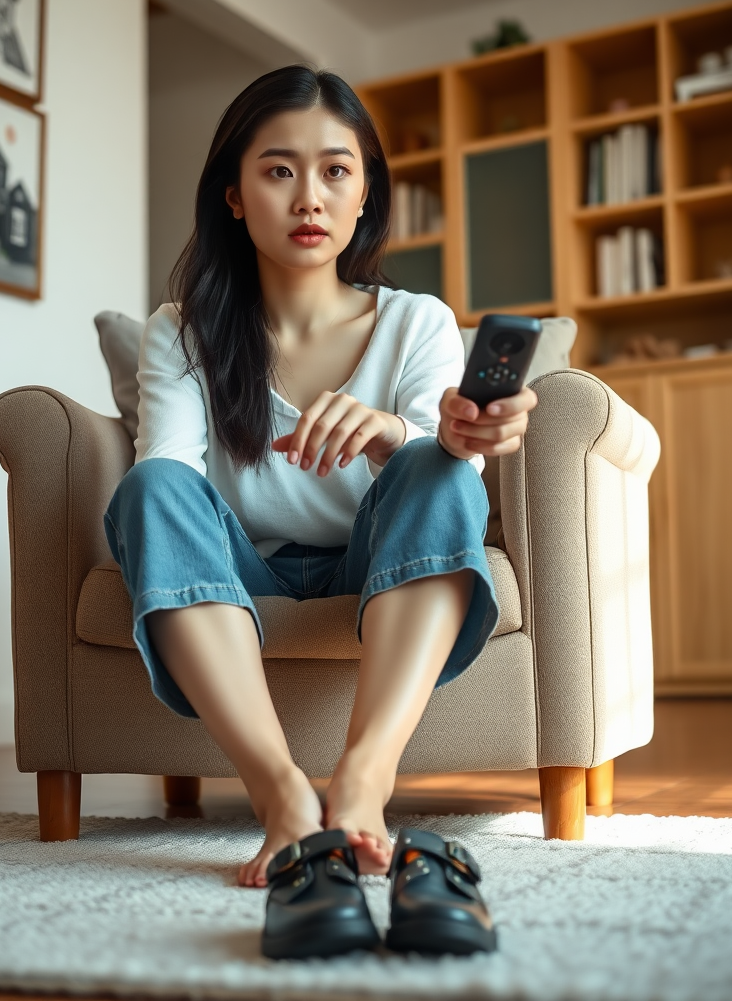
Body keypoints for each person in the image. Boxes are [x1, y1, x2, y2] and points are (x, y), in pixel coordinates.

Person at [104, 66, 537, 897]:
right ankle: (283, 799)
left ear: (366, 192)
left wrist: (403, 436)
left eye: (336, 170)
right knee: (149, 487)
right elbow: (169, 473)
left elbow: (456, 469)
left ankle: (364, 782)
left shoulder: (419, 322)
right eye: (278, 170)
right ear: (233, 193)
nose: (310, 197)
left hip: (375, 561)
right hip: (246, 568)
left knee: (435, 466)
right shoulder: (181, 332)